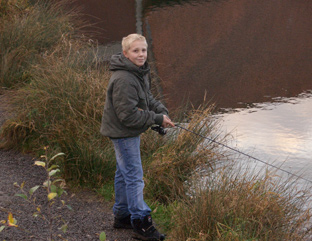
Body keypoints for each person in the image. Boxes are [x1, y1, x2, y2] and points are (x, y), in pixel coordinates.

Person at [100, 33, 175, 241]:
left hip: (127, 132)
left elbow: (147, 98)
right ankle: (141, 223)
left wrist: (161, 111)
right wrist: (156, 119)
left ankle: (123, 215)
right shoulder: (124, 78)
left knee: (124, 173)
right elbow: (128, 116)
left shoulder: (138, 72)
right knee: (134, 176)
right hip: (123, 133)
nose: (141, 54)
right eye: (135, 51)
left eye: (143, 50)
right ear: (125, 53)